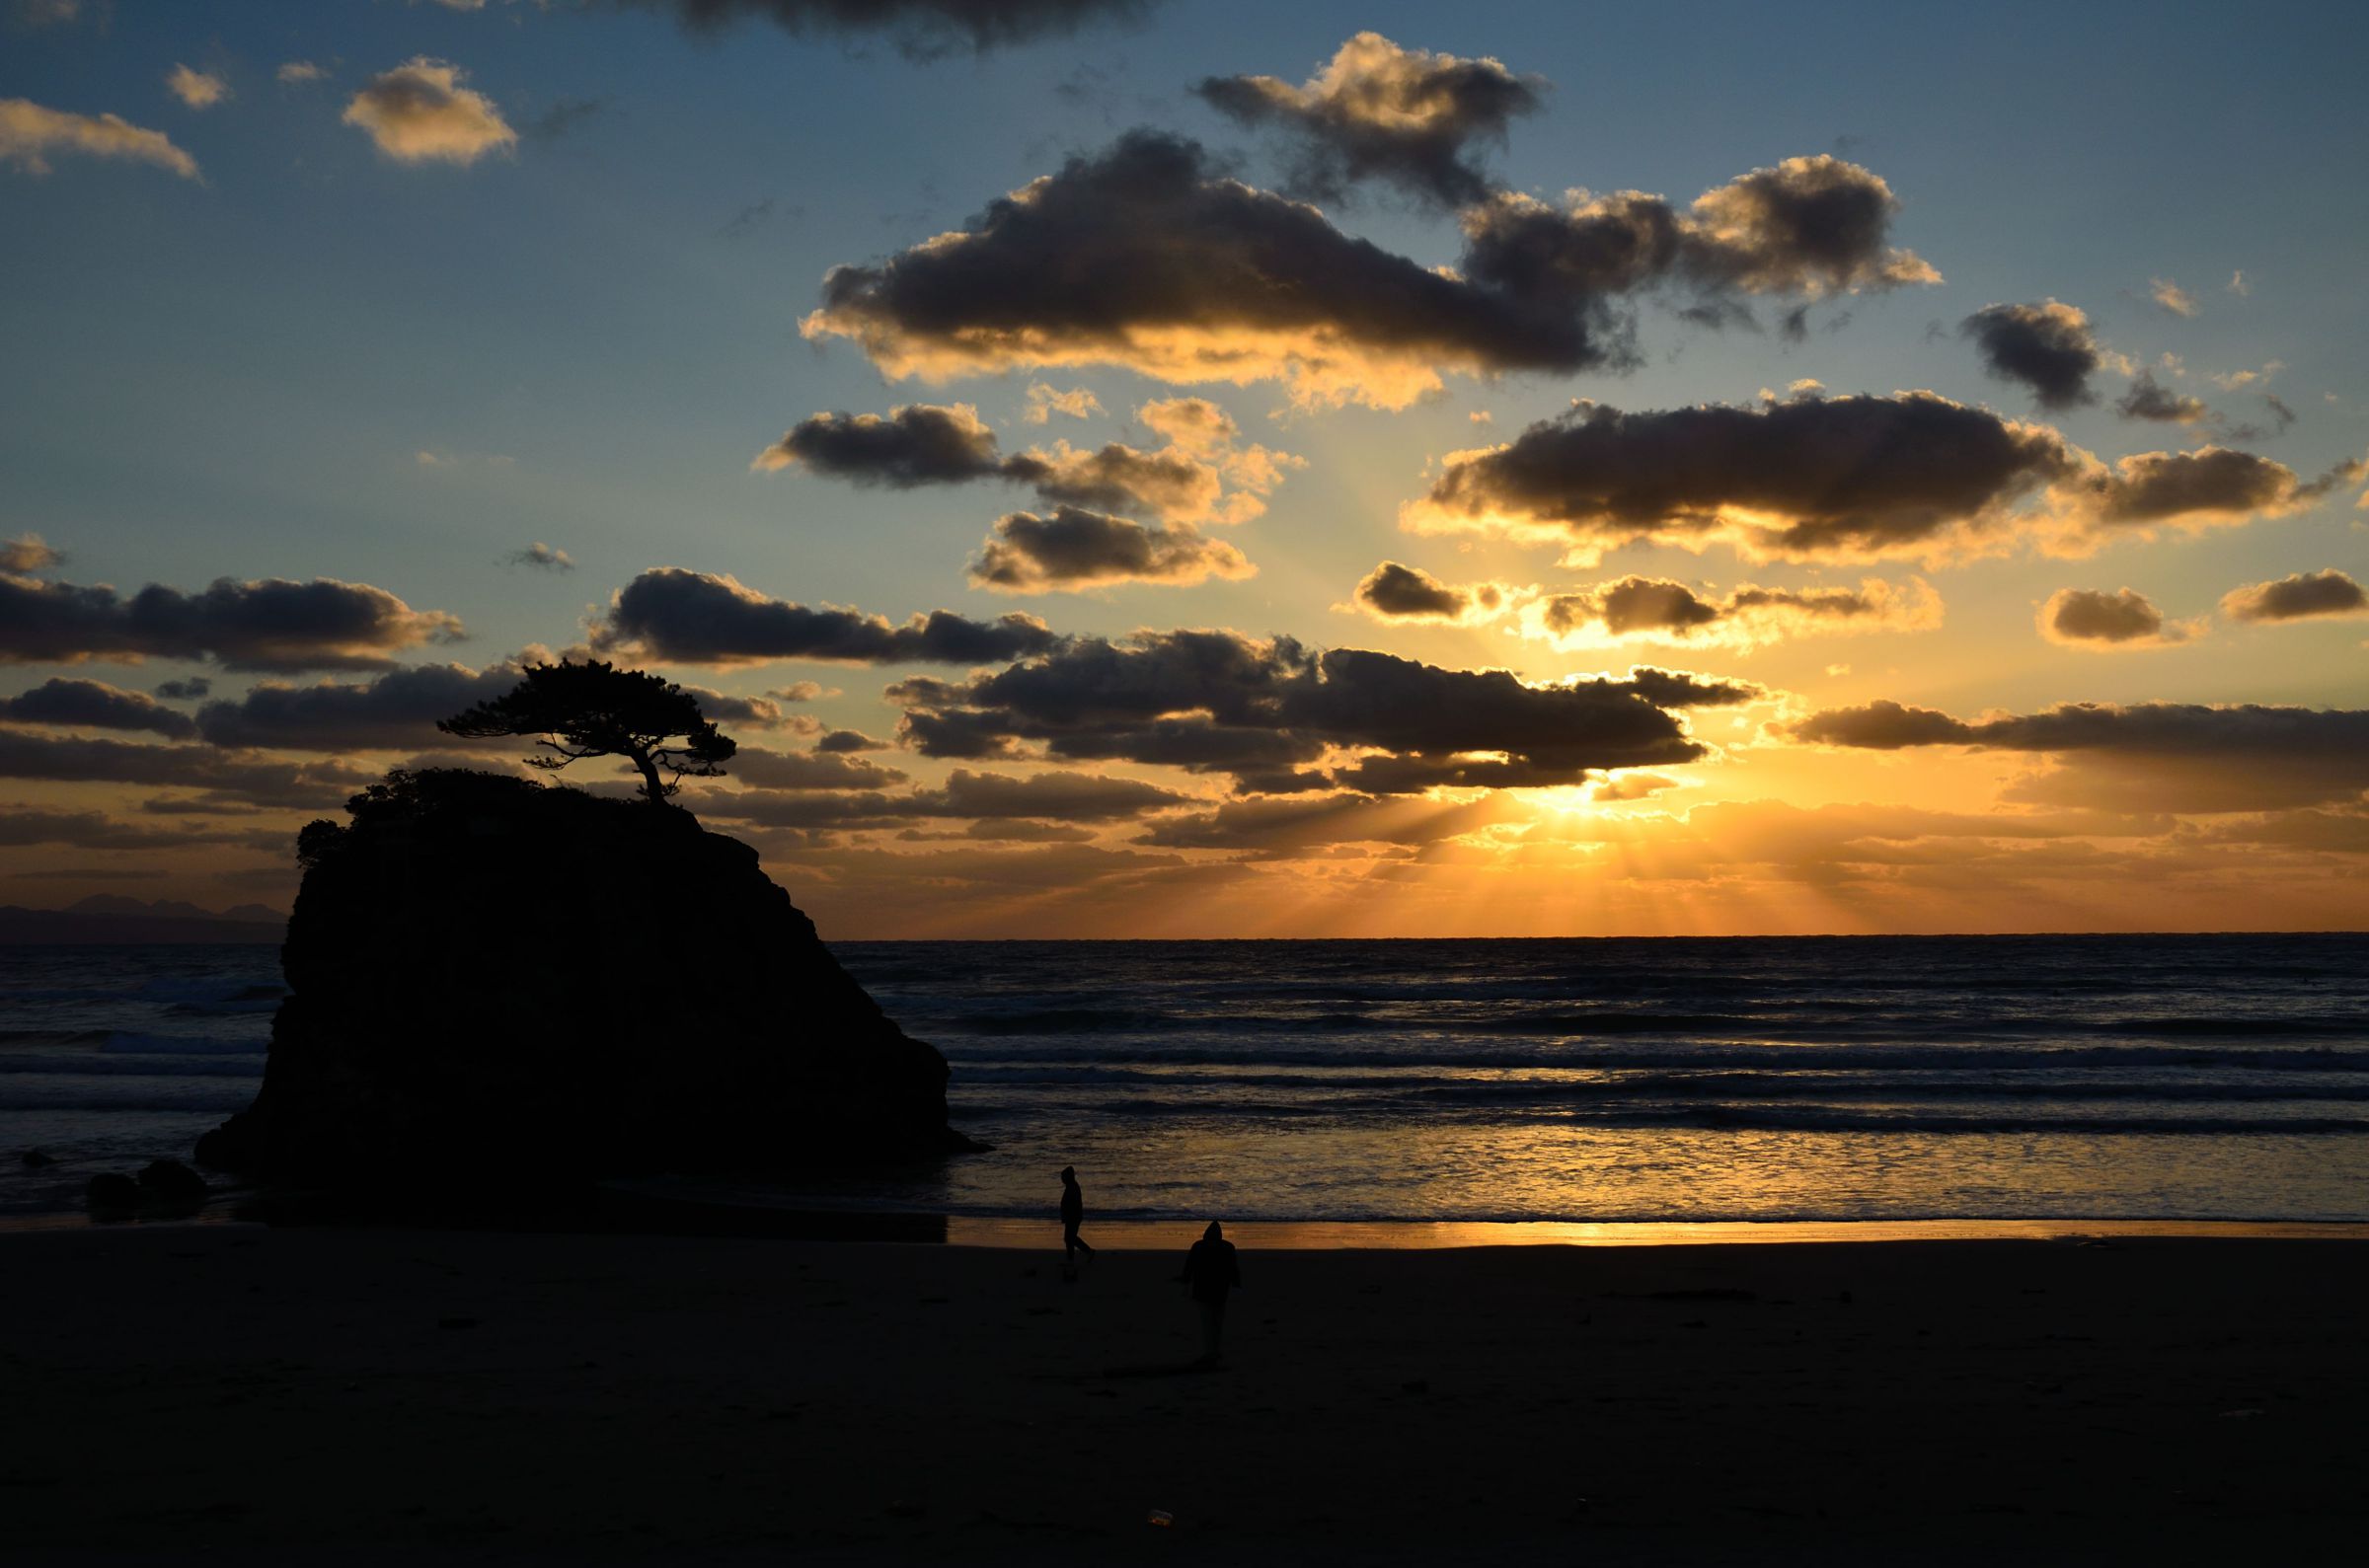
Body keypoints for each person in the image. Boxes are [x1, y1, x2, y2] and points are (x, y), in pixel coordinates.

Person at [1175, 1220, 1242, 1365]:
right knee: (1217, 1322)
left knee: (1207, 1323)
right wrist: (1237, 1285)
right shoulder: (1228, 1247)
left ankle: (1210, 1352)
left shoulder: (1198, 1246)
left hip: (1202, 1290)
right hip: (1220, 1290)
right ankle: (1215, 1350)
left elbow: (1189, 1268)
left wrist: (1185, 1283)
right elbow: (1233, 1270)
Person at [1058, 1165, 1094, 1269]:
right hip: (1073, 1217)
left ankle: (1086, 1252)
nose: (1062, 1179)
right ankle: (1077, 1256)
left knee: (1070, 1238)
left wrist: (1067, 1216)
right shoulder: (1071, 1186)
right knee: (1070, 1238)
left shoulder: (1072, 1187)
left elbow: (1072, 1204)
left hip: (1073, 1217)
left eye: (1063, 1177)